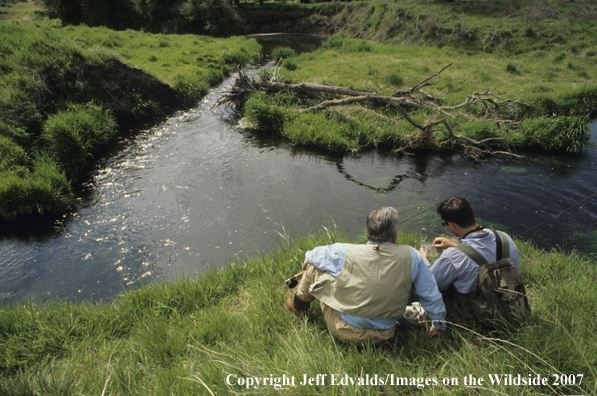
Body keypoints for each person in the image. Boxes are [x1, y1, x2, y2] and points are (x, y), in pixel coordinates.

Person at [285, 207, 447, 345]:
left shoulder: (342, 251)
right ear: (394, 235)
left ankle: (299, 307)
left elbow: (311, 255)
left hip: (344, 331)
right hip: (385, 336)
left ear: (368, 232)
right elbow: (431, 295)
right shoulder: (413, 256)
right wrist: (439, 325)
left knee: (313, 267)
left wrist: (307, 263)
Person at [419, 197, 521, 326]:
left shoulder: (452, 256)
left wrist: (424, 260)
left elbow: (431, 285)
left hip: (480, 312)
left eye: (444, 224)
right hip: (511, 301)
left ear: (452, 225)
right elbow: (483, 255)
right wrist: (455, 245)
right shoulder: (504, 238)